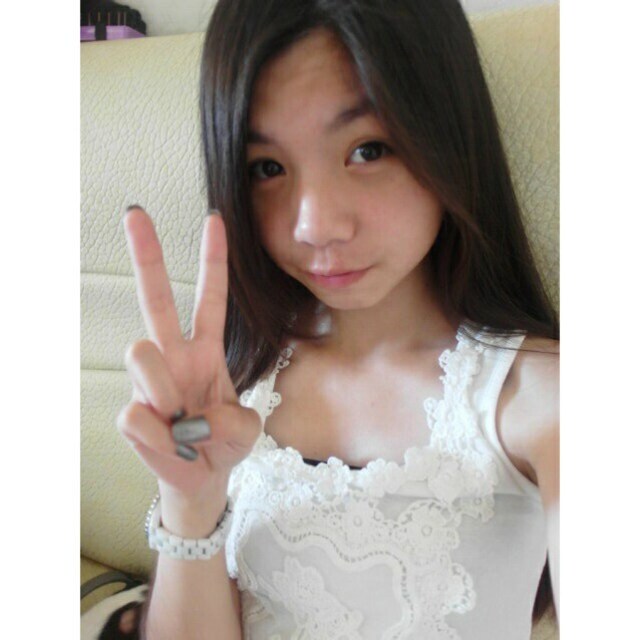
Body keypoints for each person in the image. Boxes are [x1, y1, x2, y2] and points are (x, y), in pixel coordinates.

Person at [117, 0, 559, 638]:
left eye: (368, 150)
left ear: (449, 138)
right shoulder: (228, 386)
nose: (314, 226)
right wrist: (190, 502)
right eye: (268, 168)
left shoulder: (540, 399)